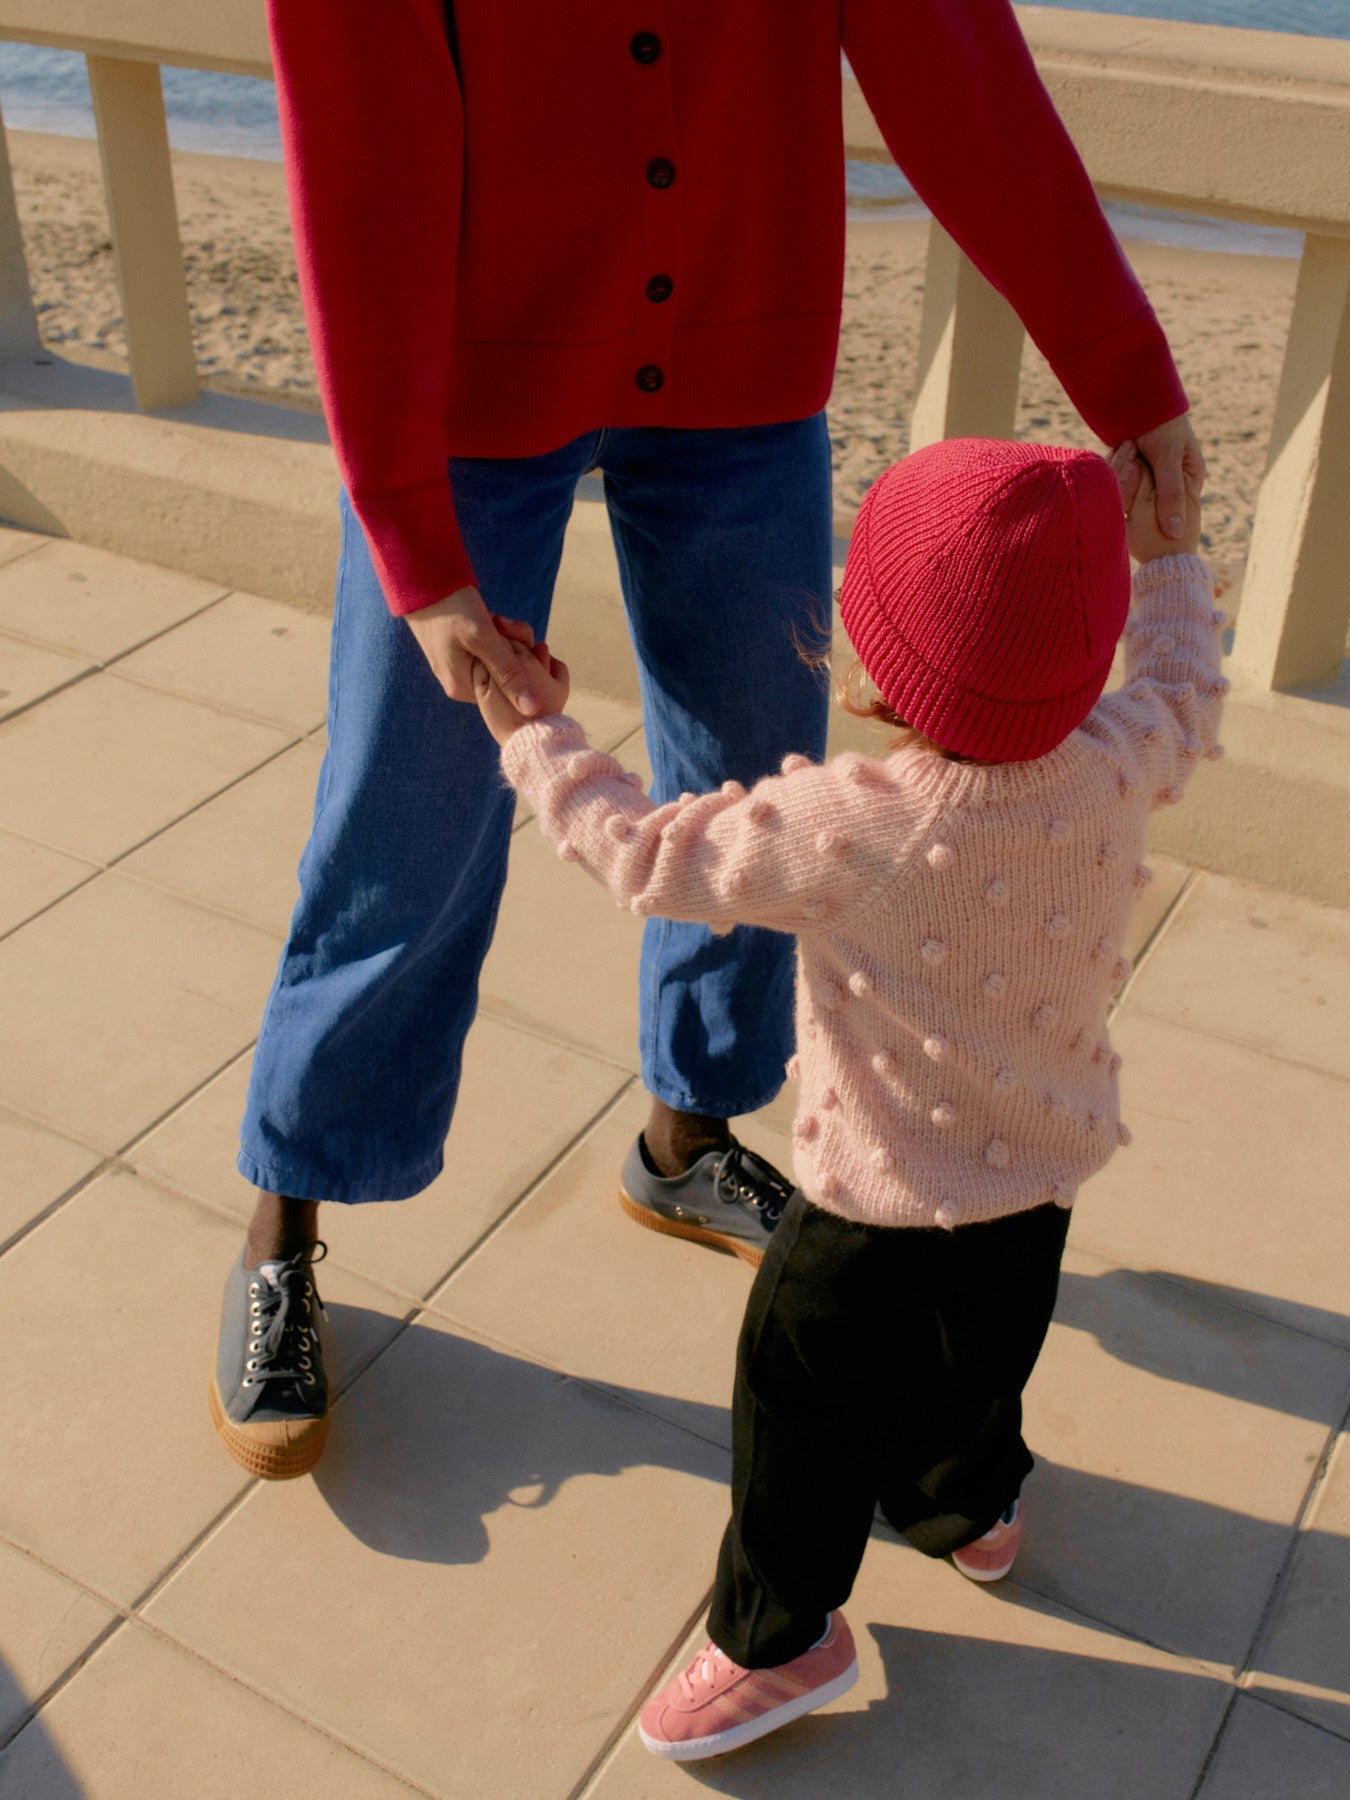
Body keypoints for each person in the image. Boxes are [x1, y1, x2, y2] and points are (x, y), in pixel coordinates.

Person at [211, 0, 1206, 1480]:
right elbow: (366, 162)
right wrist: (412, 543)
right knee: (403, 813)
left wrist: (1124, 375)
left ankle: (683, 1140)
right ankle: (287, 1213)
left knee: (757, 775)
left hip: (739, 364)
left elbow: (957, 77)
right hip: (464, 395)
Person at [473, 436, 1226, 1760]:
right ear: (1082, 645)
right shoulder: (1123, 755)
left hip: (874, 1202)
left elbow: (646, 857)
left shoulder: (851, 823)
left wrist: (537, 736)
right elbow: (1182, 675)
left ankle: (778, 1634)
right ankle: (966, 1512)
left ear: (878, 653)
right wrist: (1167, 552)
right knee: (975, 1362)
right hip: (1043, 1170)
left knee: (794, 1411)